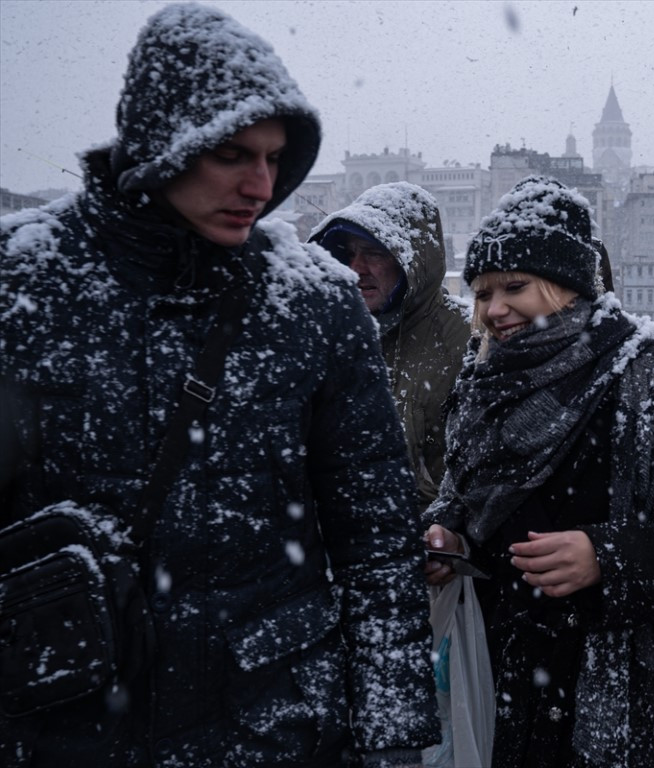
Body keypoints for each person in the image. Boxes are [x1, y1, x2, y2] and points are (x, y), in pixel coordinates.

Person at [0, 4, 435, 765]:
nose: (260, 184)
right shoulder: (23, 283)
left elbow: (375, 535)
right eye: (233, 154)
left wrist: (392, 736)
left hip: (271, 721)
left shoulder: (315, 302)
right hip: (66, 718)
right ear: (160, 143)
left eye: (274, 158)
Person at [422, 177, 654, 767]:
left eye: (515, 287)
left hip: (629, 690)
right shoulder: (482, 385)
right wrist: (450, 537)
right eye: (483, 292)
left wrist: (613, 557)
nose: (494, 310)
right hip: (503, 673)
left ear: (567, 285)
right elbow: (465, 497)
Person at [310, 182, 471, 511]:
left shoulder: (466, 340)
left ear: (412, 259)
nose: (356, 269)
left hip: (435, 534)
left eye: (373, 252)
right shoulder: (332, 336)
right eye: (349, 254)